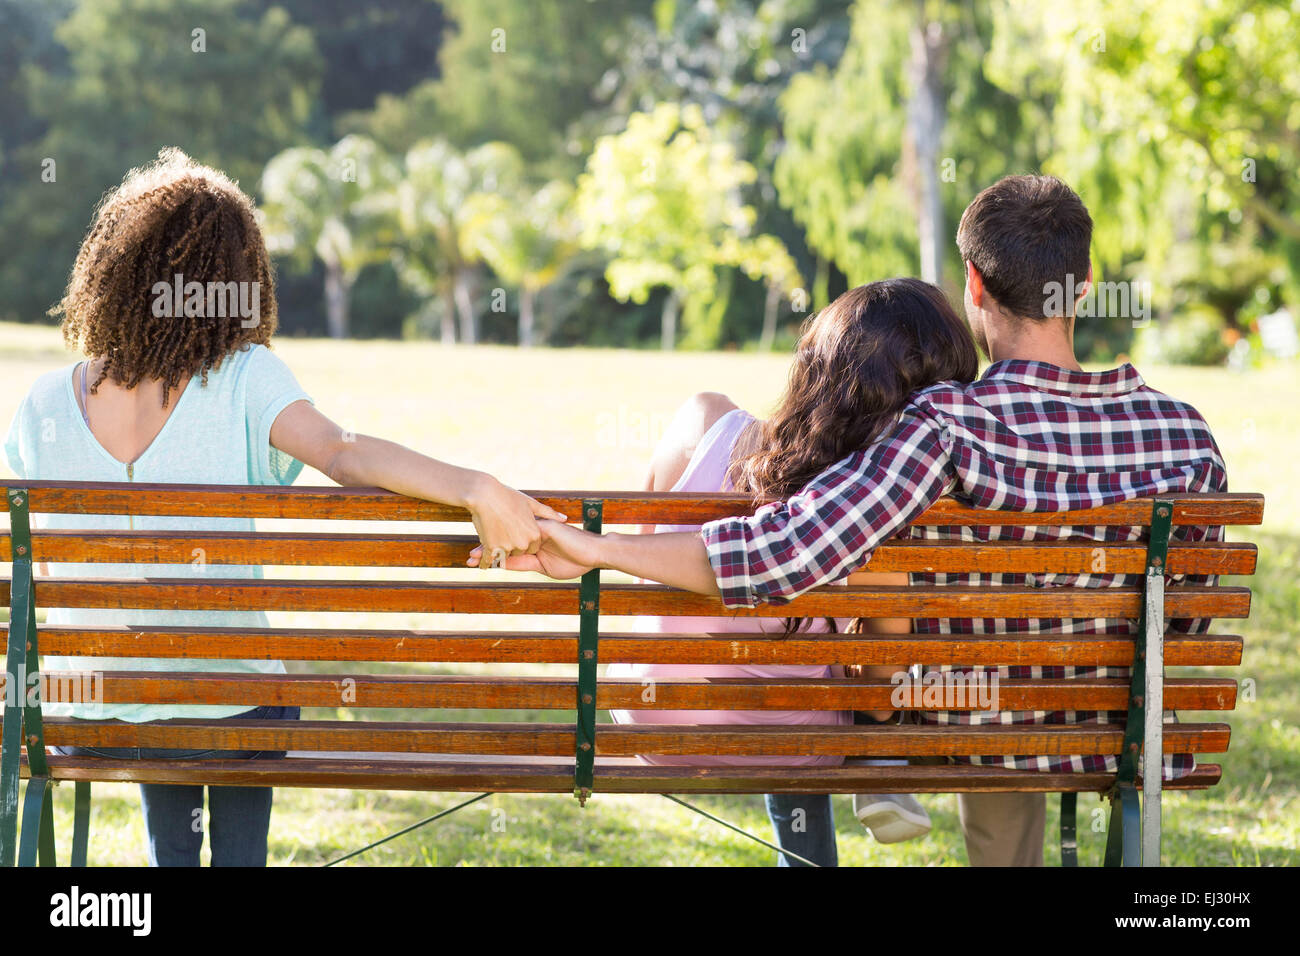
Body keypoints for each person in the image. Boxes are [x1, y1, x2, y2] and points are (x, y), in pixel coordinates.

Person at [482, 174, 1228, 867]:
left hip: (972, 722)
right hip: (1124, 736)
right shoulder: (1186, 435)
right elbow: (1186, 620)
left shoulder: (946, 425)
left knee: (987, 699)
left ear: (974, 285)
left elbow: (783, 554)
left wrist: (599, 546)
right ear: (1084, 285)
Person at [3, 148, 564, 866]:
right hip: (228, 711)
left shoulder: (44, 403)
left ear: (116, 268)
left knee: (156, 708)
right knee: (219, 696)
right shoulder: (242, 379)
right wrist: (475, 486)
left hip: (91, 715)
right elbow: (342, 452)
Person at [605, 279, 979, 866]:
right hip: (786, 735)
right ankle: (873, 782)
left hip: (647, 708)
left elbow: (644, 552)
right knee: (812, 678)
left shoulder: (704, 418)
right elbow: (881, 698)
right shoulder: (875, 509)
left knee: (788, 664)